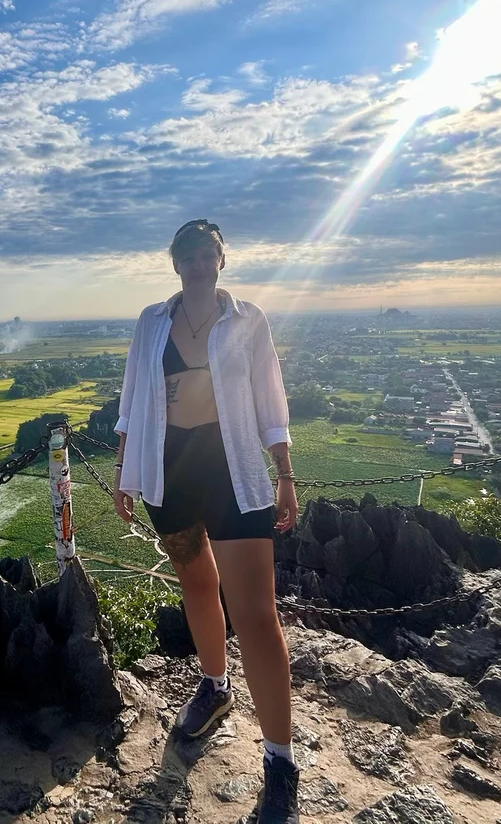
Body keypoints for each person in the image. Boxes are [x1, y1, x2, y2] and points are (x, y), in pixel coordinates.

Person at [111, 219, 300, 824]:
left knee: (257, 614)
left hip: (234, 471)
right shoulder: (151, 321)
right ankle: (215, 688)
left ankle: (279, 759)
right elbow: (133, 395)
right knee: (195, 584)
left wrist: (286, 473)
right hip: (169, 472)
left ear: (222, 260)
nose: (197, 263)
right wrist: (125, 469)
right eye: (187, 255)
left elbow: (271, 397)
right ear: (174, 263)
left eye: (206, 254)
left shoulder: (248, 320)